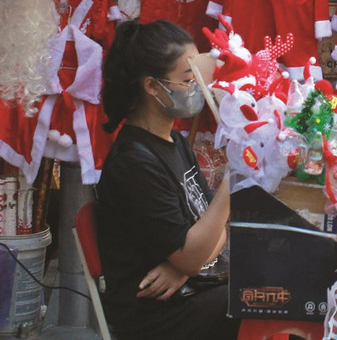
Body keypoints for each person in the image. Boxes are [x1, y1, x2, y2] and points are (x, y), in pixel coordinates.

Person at [96, 21, 238, 339]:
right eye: (189, 79)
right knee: (264, 301)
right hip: (157, 320)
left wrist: (184, 266)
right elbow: (200, 241)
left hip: (192, 292)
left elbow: (215, 230)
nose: (199, 88)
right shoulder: (133, 163)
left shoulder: (174, 142)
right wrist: (234, 178)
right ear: (152, 86)